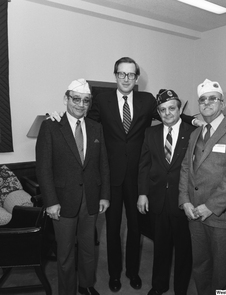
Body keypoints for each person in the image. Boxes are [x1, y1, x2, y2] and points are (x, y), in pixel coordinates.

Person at [50, 57, 202, 292]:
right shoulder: (102, 100)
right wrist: (60, 116)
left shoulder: (147, 100)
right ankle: (114, 275)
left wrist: (192, 119)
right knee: (112, 228)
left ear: (136, 77)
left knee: (135, 228)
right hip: (110, 176)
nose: (126, 78)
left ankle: (132, 272)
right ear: (115, 75)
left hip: (138, 177)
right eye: (122, 74)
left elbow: (168, 112)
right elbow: (80, 119)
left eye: (131, 74)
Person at [36, 79, 110, 295]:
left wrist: (104, 195)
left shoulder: (97, 128)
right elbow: (43, 168)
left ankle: (86, 286)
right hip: (62, 201)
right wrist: (50, 201)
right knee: (66, 253)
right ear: (66, 99)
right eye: (76, 99)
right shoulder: (50, 126)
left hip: (91, 199)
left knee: (88, 249)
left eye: (86, 100)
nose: (80, 104)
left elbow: (103, 164)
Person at [178, 79, 226, 295]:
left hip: (223, 216)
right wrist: (184, 201)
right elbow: (185, 169)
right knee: (200, 267)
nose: (207, 103)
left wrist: (209, 206)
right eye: (203, 99)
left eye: (213, 98)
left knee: (221, 274)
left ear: (222, 104)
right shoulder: (194, 134)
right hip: (195, 214)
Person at [138, 89, 195, 295]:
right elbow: (144, 165)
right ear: (158, 113)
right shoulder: (150, 133)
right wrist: (142, 193)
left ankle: (181, 289)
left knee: (183, 251)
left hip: (183, 201)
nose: (167, 113)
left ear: (180, 109)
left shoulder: (192, 133)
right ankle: (159, 286)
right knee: (160, 248)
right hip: (158, 200)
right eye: (162, 110)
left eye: (172, 108)